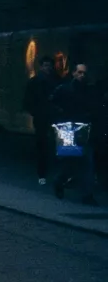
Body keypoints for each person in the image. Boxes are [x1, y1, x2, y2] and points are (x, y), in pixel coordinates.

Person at [50, 63, 98, 206]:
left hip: (82, 127)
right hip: (68, 127)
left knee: (86, 162)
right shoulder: (64, 89)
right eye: (79, 72)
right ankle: (60, 181)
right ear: (74, 73)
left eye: (84, 73)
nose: (82, 75)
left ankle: (86, 194)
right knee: (69, 161)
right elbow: (52, 103)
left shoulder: (88, 90)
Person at [23, 56, 59, 185]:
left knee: (44, 145)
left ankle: (43, 173)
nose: (48, 68)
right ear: (42, 66)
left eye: (49, 66)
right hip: (46, 116)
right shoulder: (53, 81)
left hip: (44, 116)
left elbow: (27, 101)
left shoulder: (36, 81)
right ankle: (45, 172)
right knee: (46, 145)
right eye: (46, 66)